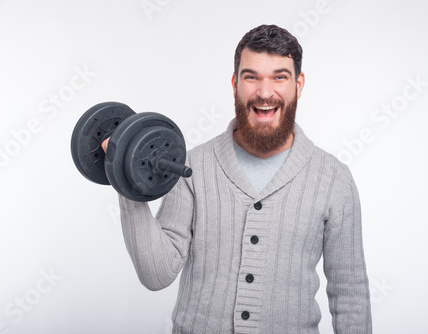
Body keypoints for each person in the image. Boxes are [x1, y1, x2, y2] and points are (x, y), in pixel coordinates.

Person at [105, 24, 372, 333]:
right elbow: (157, 274)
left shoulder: (334, 179)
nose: (264, 92)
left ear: (298, 84)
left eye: (279, 77)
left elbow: (350, 294)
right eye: (251, 77)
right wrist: (123, 170)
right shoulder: (192, 166)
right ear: (235, 83)